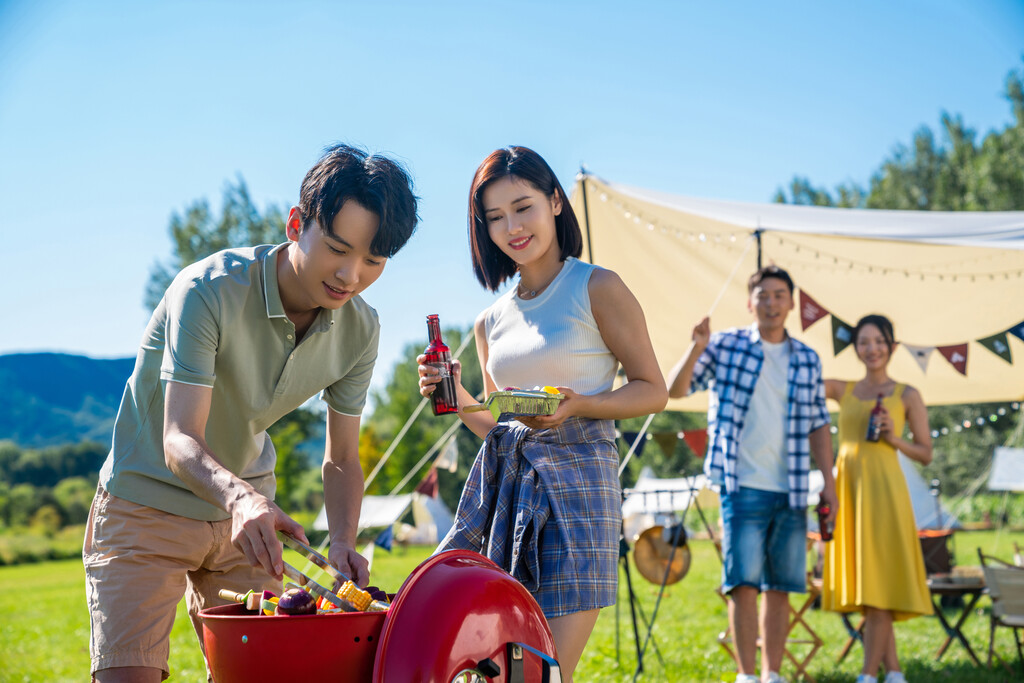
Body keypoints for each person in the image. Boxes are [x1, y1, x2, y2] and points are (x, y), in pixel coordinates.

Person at [83, 144, 418, 683]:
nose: (351, 275)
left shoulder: (361, 329)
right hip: (147, 503)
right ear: (296, 224)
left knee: (268, 674)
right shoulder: (207, 290)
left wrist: (343, 543)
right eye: (337, 248)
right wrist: (240, 497)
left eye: (373, 261)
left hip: (251, 523)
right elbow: (177, 439)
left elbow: (341, 458)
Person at [418, 145, 667, 681]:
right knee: (501, 663)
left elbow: (652, 390)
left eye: (523, 206)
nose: (512, 226)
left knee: (544, 670)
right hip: (508, 490)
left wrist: (582, 405)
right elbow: (497, 425)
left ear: (555, 201)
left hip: (581, 485)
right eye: (495, 217)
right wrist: (458, 396)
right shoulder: (490, 321)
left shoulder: (597, 286)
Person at [667, 265, 838, 683]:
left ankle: (772, 674)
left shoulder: (807, 358)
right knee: (743, 583)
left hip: (793, 487)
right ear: (750, 302)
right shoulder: (725, 345)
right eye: (764, 295)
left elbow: (819, 425)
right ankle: (747, 675)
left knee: (781, 586)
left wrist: (829, 485)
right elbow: (675, 389)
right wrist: (696, 347)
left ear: (791, 304)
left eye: (780, 295)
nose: (772, 303)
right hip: (740, 485)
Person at [821, 314, 933, 683]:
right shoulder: (843, 388)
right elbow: (799, 385)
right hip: (848, 492)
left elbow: (925, 452)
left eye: (879, 341)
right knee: (868, 581)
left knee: (879, 579)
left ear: (893, 346)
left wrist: (893, 438)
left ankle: (869, 675)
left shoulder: (907, 394)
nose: (872, 349)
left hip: (885, 493)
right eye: (864, 342)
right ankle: (894, 672)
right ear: (855, 348)